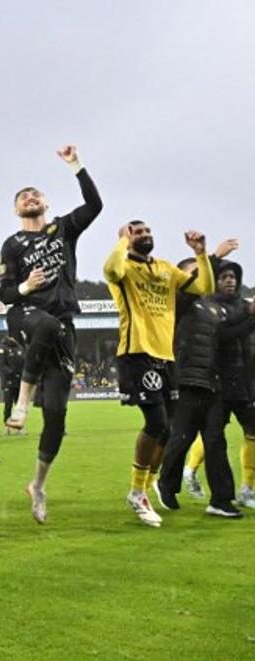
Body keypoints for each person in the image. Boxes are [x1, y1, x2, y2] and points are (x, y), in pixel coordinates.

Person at [0, 145, 103, 523]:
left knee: (57, 415)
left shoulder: (63, 229)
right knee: (44, 323)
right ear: (16, 209)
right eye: (23, 196)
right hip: (25, 315)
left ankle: (38, 486)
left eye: (35, 194)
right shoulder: (12, 244)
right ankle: (23, 404)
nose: (30, 197)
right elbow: (5, 295)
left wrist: (76, 165)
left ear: (45, 203)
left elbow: (95, 205)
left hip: (63, 327)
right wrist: (26, 286)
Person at [104, 223, 214, 527]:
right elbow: (110, 270)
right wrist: (122, 241)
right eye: (137, 231)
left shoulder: (166, 268)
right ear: (128, 238)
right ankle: (137, 492)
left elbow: (204, 287)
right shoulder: (123, 265)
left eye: (147, 230)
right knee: (156, 422)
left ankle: (146, 484)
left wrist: (201, 254)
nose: (144, 234)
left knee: (168, 430)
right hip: (136, 353)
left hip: (166, 358)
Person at [155, 257, 253, 516]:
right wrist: (210, 256)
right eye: (193, 273)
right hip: (186, 379)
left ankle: (220, 501)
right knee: (181, 438)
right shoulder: (181, 301)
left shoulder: (213, 306)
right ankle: (166, 482)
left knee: (215, 440)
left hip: (212, 381)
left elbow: (231, 327)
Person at [0, 336, 24, 434]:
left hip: (19, 380)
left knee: (19, 405)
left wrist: (22, 374)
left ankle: (18, 427)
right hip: (8, 381)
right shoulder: (2, 348)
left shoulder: (19, 347)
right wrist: (12, 373)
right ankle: (7, 427)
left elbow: (23, 363)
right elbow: (0, 365)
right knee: (8, 405)